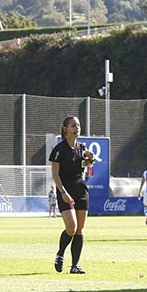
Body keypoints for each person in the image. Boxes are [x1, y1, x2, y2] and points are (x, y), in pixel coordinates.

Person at [50, 115, 94, 274]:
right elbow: (55, 173)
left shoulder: (82, 147)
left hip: (80, 189)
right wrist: (62, 192)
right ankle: (60, 254)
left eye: (78, 125)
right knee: (71, 227)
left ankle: (75, 265)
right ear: (65, 129)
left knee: (80, 229)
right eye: (73, 126)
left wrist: (90, 159)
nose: (77, 128)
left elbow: (83, 166)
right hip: (65, 190)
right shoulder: (59, 149)